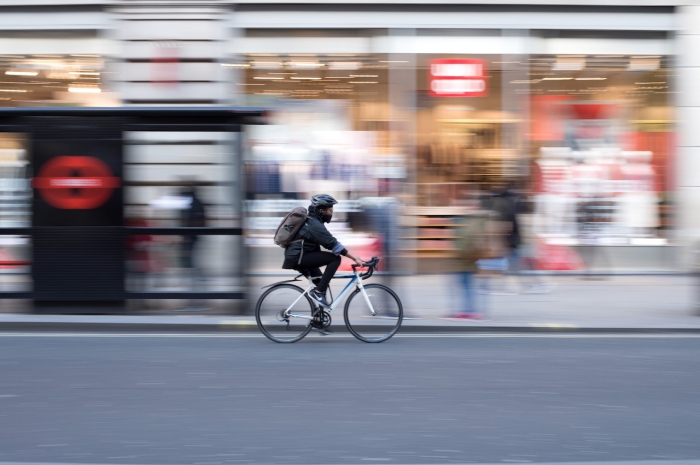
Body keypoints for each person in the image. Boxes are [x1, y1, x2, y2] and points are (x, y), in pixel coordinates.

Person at [282, 194, 364, 309]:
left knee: (322, 283)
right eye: (330, 210)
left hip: (300, 256)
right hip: (298, 257)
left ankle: (318, 320)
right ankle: (318, 293)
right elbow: (332, 244)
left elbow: (328, 242)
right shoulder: (313, 224)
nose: (332, 213)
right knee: (335, 258)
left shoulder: (313, 222)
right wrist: (354, 257)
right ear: (321, 210)